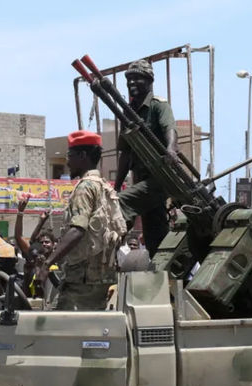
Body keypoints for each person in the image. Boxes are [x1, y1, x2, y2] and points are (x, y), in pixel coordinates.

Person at [40, 130, 126, 311]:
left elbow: (77, 229)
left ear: (83, 156)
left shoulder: (85, 187)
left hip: (82, 278)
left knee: (62, 324)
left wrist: (48, 263)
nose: (68, 162)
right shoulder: (104, 186)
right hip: (101, 275)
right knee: (91, 324)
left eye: (70, 156)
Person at [115, 59, 178, 258]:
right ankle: (160, 267)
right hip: (142, 180)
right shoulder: (128, 112)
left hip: (159, 178)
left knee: (119, 204)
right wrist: (116, 186)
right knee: (155, 235)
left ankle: (111, 249)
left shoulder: (158, 106)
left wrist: (171, 149)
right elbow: (125, 153)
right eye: (129, 79)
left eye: (137, 78)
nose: (131, 83)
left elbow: (170, 129)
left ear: (150, 81)